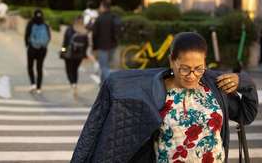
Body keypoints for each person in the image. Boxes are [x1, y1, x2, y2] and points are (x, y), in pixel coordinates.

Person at [71, 32, 258, 163]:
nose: (192, 75)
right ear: (171, 61)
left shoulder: (215, 89)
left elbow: (246, 114)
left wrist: (244, 81)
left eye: (199, 68)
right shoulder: (153, 91)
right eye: (184, 68)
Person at [92, 1, 120, 83]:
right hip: (113, 45)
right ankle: (102, 83)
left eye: (100, 6)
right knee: (107, 65)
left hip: (102, 46)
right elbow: (119, 31)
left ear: (103, 7)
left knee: (104, 67)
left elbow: (95, 34)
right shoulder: (114, 17)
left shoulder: (99, 18)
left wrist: (94, 47)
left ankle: (110, 84)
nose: (99, 8)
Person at [60, 16, 88, 96]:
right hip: (79, 55)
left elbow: (64, 43)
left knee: (69, 70)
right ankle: (75, 83)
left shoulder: (69, 29)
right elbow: (86, 44)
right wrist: (84, 54)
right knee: (75, 70)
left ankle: (73, 84)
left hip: (69, 54)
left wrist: (62, 52)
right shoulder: (84, 31)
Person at [24, 9, 51, 93]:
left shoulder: (31, 23)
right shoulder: (45, 24)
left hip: (32, 49)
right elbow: (49, 37)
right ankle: (39, 88)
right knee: (39, 68)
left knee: (30, 67)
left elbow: (26, 35)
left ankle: (33, 84)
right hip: (42, 49)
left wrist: (27, 45)